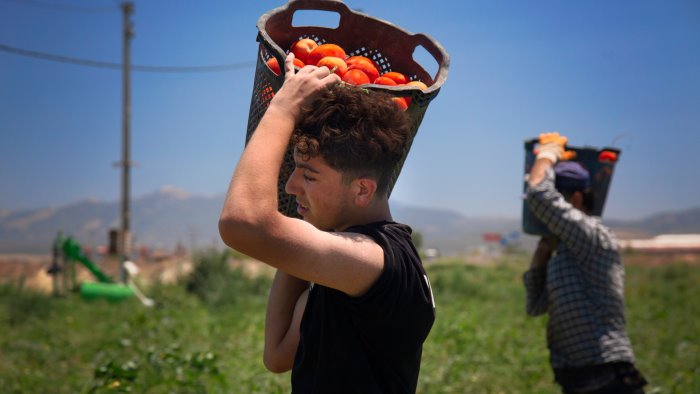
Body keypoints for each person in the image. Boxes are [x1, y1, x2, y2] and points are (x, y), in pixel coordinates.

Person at [218, 54, 435, 393]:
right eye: (295, 170)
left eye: (309, 175)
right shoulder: (343, 273)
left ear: (362, 189)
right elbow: (277, 356)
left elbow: (242, 223)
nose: (290, 186)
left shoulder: (372, 260)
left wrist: (282, 109)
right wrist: (306, 223)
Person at [523, 132, 647, 394]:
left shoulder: (594, 237)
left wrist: (548, 154)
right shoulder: (564, 256)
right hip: (576, 379)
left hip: (606, 375)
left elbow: (538, 195)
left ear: (576, 200)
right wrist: (545, 246)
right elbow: (535, 305)